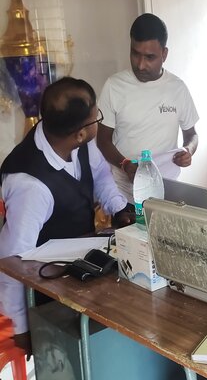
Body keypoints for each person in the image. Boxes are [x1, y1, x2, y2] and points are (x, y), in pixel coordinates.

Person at [0, 77, 133, 356]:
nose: (98, 122)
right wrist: (22, 329)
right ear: (80, 133)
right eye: (96, 117)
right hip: (47, 292)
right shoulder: (31, 187)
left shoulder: (71, 137)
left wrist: (119, 208)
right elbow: (10, 262)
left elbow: (100, 174)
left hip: (81, 270)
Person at [97, 13, 199, 202]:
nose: (141, 65)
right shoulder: (114, 86)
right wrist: (125, 164)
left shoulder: (177, 88)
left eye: (149, 57)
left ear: (164, 54)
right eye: (135, 54)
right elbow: (103, 140)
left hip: (166, 192)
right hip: (125, 195)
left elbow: (191, 134)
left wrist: (188, 150)